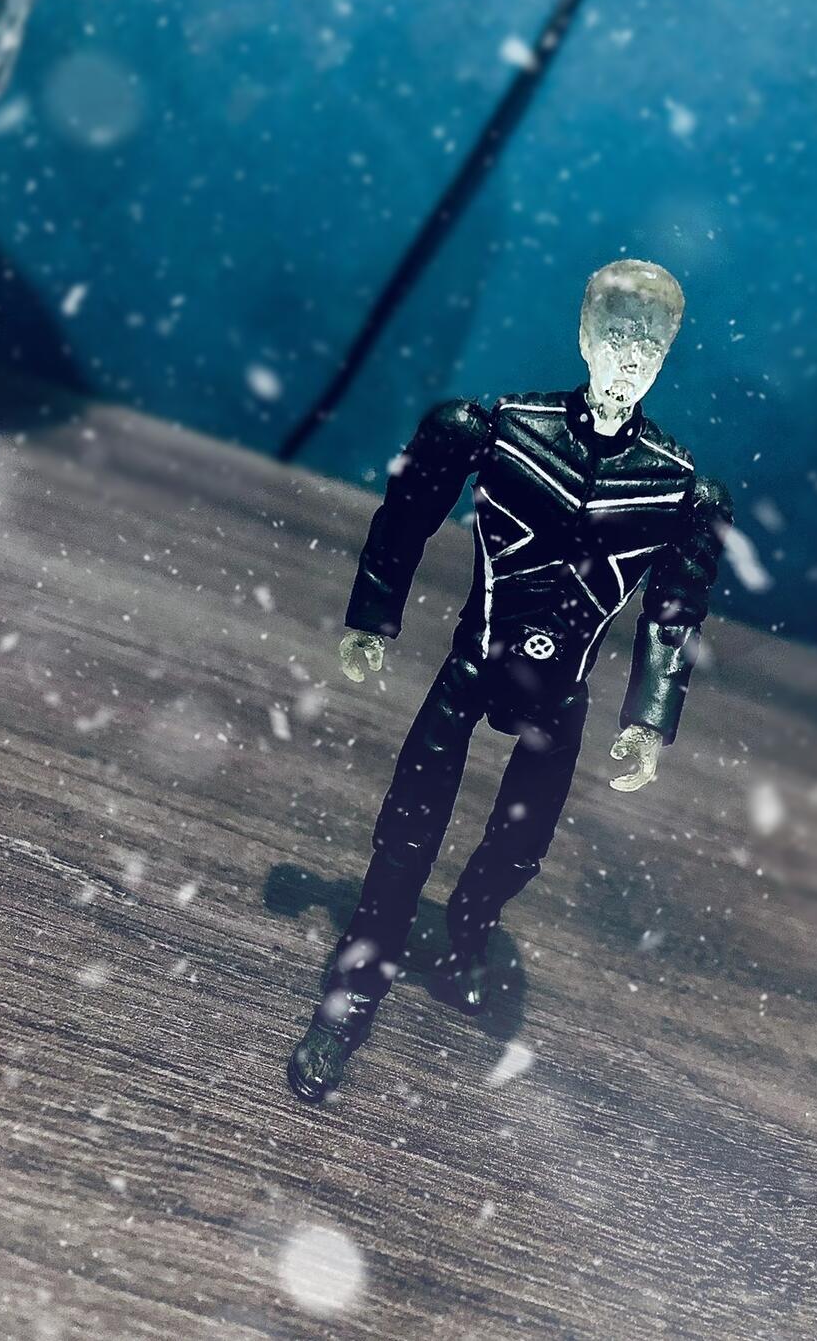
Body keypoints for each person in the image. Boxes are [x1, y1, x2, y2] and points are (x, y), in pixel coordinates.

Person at [287, 259, 733, 1102]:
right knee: (406, 833)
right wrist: (372, 614)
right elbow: (407, 514)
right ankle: (352, 993)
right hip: (473, 663)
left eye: (650, 343)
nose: (630, 356)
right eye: (617, 333)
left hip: (560, 696)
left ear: (669, 354)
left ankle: (467, 932)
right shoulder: (504, 430)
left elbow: (675, 613)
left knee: (520, 848)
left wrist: (649, 719)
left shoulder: (677, 487)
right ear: (584, 333)